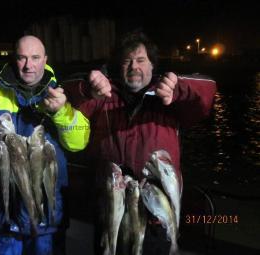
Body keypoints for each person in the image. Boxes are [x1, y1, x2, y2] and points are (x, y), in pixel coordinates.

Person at [63, 31, 217, 254]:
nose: (134, 66)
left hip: (155, 216)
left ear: (153, 66)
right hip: (111, 212)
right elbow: (64, 93)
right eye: (127, 60)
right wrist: (88, 87)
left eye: (141, 60)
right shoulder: (101, 97)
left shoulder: (169, 100)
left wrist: (178, 88)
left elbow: (208, 89)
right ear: (119, 65)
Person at [0, 35, 90, 255]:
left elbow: (78, 144)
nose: (29, 65)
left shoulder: (60, 96)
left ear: (45, 59)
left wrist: (61, 113)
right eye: (22, 58)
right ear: (13, 59)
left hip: (46, 220)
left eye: (35, 57)